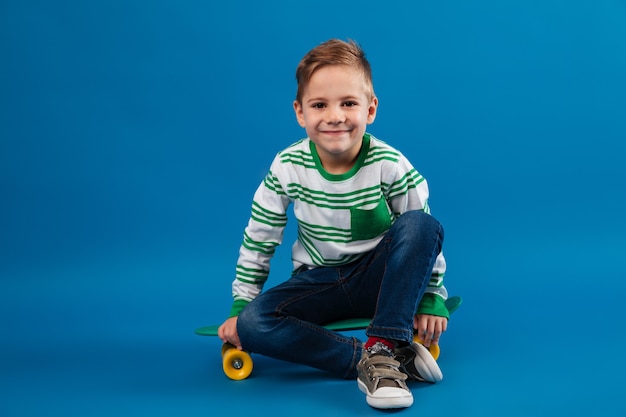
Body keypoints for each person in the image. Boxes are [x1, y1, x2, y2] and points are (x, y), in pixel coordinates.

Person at [218, 38, 451, 409]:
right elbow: (260, 237)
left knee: (421, 225)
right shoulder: (287, 166)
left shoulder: (389, 164)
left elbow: (420, 239)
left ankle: (383, 344)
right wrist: (240, 305)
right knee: (254, 323)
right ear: (300, 112)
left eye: (348, 103)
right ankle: (375, 358)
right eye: (319, 105)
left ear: (370, 109)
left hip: (378, 278)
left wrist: (431, 296)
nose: (335, 116)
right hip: (317, 282)